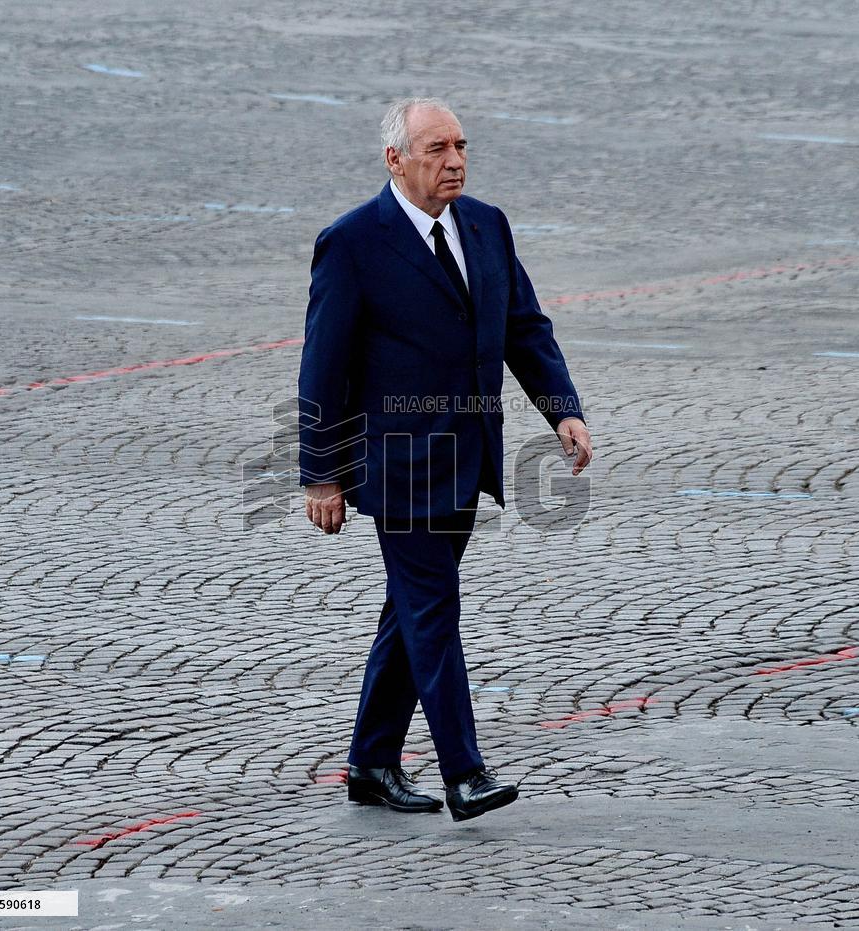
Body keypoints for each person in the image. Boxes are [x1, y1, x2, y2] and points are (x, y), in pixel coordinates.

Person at [297, 97, 591, 821]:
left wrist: (564, 410)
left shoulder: (487, 225)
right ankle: (465, 771)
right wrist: (321, 471)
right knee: (433, 610)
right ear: (395, 159)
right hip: (396, 466)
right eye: (435, 148)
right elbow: (321, 365)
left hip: (468, 457)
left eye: (460, 145)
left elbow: (523, 325)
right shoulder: (353, 242)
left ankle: (369, 761)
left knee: (411, 610)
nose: (454, 160)